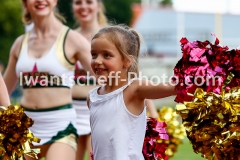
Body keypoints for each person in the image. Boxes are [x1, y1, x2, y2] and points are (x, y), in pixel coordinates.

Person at [3, 0, 93, 160]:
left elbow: (107, 78)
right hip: (25, 130)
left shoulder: (73, 39)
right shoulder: (19, 44)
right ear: (25, 3)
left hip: (61, 127)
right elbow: (4, 89)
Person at [87, 25, 177, 160]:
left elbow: (170, 88)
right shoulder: (92, 97)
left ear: (127, 61)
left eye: (107, 55)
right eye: (94, 54)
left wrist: (204, 76)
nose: (98, 61)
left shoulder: (134, 89)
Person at [71, 0, 108, 159]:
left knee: (97, 156)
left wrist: (152, 113)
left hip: (99, 107)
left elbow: (129, 77)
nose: (83, 6)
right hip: (70, 111)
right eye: (78, 2)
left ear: (99, 5)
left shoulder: (109, 36)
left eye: (89, 2)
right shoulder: (66, 38)